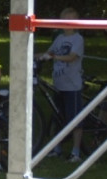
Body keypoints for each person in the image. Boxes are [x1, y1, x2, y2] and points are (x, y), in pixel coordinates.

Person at [36, 9, 85, 160]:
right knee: (59, 117)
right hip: (59, 84)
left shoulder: (78, 39)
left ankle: (76, 151)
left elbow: (72, 57)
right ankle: (57, 148)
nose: (67, 23)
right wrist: (35, 56)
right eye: (64, 20)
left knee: (75, 120)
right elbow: (49, 53)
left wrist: (54, 57)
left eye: (71, 20)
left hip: (72, 85)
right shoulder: (59, 38)